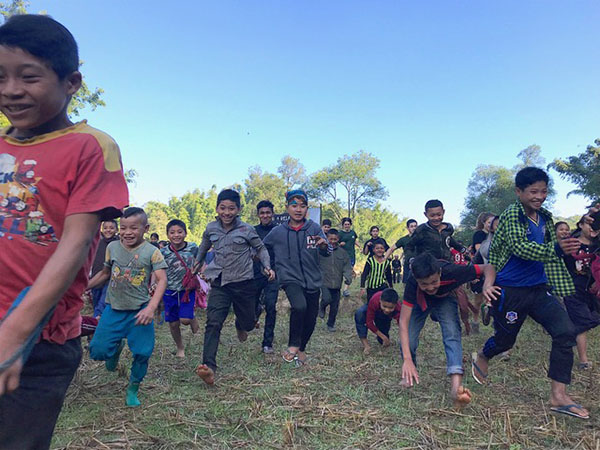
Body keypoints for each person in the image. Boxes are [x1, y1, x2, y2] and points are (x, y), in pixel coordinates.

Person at [0, 15, 129, 449]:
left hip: (40, 339)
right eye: (0, 77)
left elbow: (75, 246)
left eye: (28, 76)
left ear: (72, 82)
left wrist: (14, 334)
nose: (11, 89)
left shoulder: (90, 146)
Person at [471, 167, 589, 420]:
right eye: (533, 191)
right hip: (510, 290)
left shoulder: (544, 217)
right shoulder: (512, 215)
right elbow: (521, 248)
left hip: (538, 288)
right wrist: (557, 249)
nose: (539, 196)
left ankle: (558, 396)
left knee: (566, 332)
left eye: (544, 191)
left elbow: (545, 247)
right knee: (505, 342)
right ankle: (483, 354)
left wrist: (564, 245)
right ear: (519, 191)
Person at [88, 208, 167, 407]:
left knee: (142, 352)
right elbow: (105, 273)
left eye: (133, 228)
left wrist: (151, 308)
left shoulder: (152, 251)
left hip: (139, 312)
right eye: (123, 228)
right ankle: (115, 349)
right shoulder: (112, 247)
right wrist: (83, 287)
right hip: (113, 309)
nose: (127, 232)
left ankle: (133, 388)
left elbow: (162, 280)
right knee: (97, 351)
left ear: (145, 228)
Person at [195, 190, 274, 385]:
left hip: (244, 283)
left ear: (238, 209)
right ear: (217, 208)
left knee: (247, 323)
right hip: (220, 282)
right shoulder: (211, 228)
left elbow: (261, 248)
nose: (227, 212)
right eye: (223, 208)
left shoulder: (246, 229)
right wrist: (197, 262)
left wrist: (267, 266)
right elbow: (204, 246)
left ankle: (243, 324)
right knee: (213, 322)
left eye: (231, 208)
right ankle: (209, 367)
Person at [400, 253, 498, 408]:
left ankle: (455, 389)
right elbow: (403, 322)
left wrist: (487, 286)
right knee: (410, 338)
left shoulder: (452, 271)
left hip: (445, 298)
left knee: (452, 333)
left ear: (440, 273)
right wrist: (407, 359)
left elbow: (488, 268)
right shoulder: (413, 283)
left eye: (434, 281)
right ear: (416, 279)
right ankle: (409, 373)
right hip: (421, 301)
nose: (430, 287)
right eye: (424, 284)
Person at [263, 189, 330, 366]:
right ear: (287, 208)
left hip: (313, 279)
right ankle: (293, 345)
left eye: (302, 206)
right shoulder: (278, 232)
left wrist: (324, 246)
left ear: (307, 208)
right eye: (294, 205)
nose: (298, 209)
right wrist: (268, 266)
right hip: (289, 278)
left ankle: (301, 349)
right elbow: (262, 249)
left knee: (310, 319)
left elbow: (328, 251)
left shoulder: (314, 228)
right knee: (299, 306)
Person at [562, 217, 600, 370]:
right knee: (582, 323)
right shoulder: (570, 244)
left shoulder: (597, 246)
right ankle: (584, 361)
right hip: (573, 289)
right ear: (581, 225)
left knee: (589, 320)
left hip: (592, 291)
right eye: (589, 224)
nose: (593, 229)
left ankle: (568, 332)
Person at [160, 219, 200, 358]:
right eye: (172, 232)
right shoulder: (163, 252)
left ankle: (191, 317)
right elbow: (158, 270)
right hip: (169, 290)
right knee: (173, 324)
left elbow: (201, 262)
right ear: (167, 235)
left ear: (185, 233)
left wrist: (201, 272)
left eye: (179, 232)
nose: (176, 235)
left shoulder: (193, 247)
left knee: (184, 320)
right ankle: (180, 347)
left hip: (187, 289)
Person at [253, 200, 279, 354]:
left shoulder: (278, 231)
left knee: (271, 306)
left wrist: (274, 270)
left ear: (272, 214)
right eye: (262, 213)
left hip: (273, 275)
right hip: (254, 274)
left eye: (268, 212)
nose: (265, 215)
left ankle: (267, 342)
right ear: (258, 215)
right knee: (252, 306)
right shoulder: (252, 231)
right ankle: (255, 313)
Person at [319, 228, 353, 332]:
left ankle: (331, 324)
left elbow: (347, 266)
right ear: (327, 238)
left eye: (335, 239)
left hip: (337, 283)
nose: (333, 241)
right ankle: (322, 307)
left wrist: (348, 277)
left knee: (334, 306)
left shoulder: (343, 253)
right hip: (324, 282)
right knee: (326, 299)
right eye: (331, 239)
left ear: (338, 239)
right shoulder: (321, 251)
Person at [354, 288, 401, 355]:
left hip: (385, 317)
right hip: (374, 310)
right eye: (384, 306)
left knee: (382, 341)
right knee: (360, 313)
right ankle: (366, 345)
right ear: (380, 301)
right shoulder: (374, 300)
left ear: (395, 305)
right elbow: (369, 322)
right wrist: (383, 336)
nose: (387, 310)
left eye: (391, 308)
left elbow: (402, 325)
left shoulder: (398, 308)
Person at [90, 220, 120, 317]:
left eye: (111, 228)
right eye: (105, 228)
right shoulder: (98, 243)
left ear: (117, 229)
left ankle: (97, 326)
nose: (108, 230)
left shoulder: (118, 244)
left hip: (110, 280)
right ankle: (97, 324)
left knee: (101, 306)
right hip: (96, 279)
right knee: (96, 302)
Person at [384, 219, 417, 283]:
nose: (414, 228)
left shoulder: (422, 237)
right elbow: (391, 249)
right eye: (412, 226)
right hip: (407, 265)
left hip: (420, 265)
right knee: (406, 285)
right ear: (408, 228)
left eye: (415, 226)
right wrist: (383, 260)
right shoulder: (403, 240)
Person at [338, 217, 359, 296]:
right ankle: (338, 289)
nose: (347, 226)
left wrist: (360, 247)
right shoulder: (340, 233)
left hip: (351, 256)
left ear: (350, 225)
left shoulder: (353, 233)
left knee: (349, 274)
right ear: (343, 225)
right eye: (345, 224)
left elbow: (355, 241)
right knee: (340, 273)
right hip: (341, 256)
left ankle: (345, 290)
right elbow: (334, 243)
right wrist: (340, 244)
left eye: (348, 224)